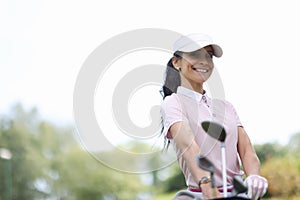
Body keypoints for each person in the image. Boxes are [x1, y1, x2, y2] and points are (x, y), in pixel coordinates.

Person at [160, 33, 268, 200]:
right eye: (195, 54)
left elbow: (246, 149)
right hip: (203, 195)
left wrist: (253, 176)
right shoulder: (173, 102)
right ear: (176, 62)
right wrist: (207, 186)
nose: (204, 61)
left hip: (238, 194)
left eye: (208, 56)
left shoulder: (226, 106)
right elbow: (188, 147)